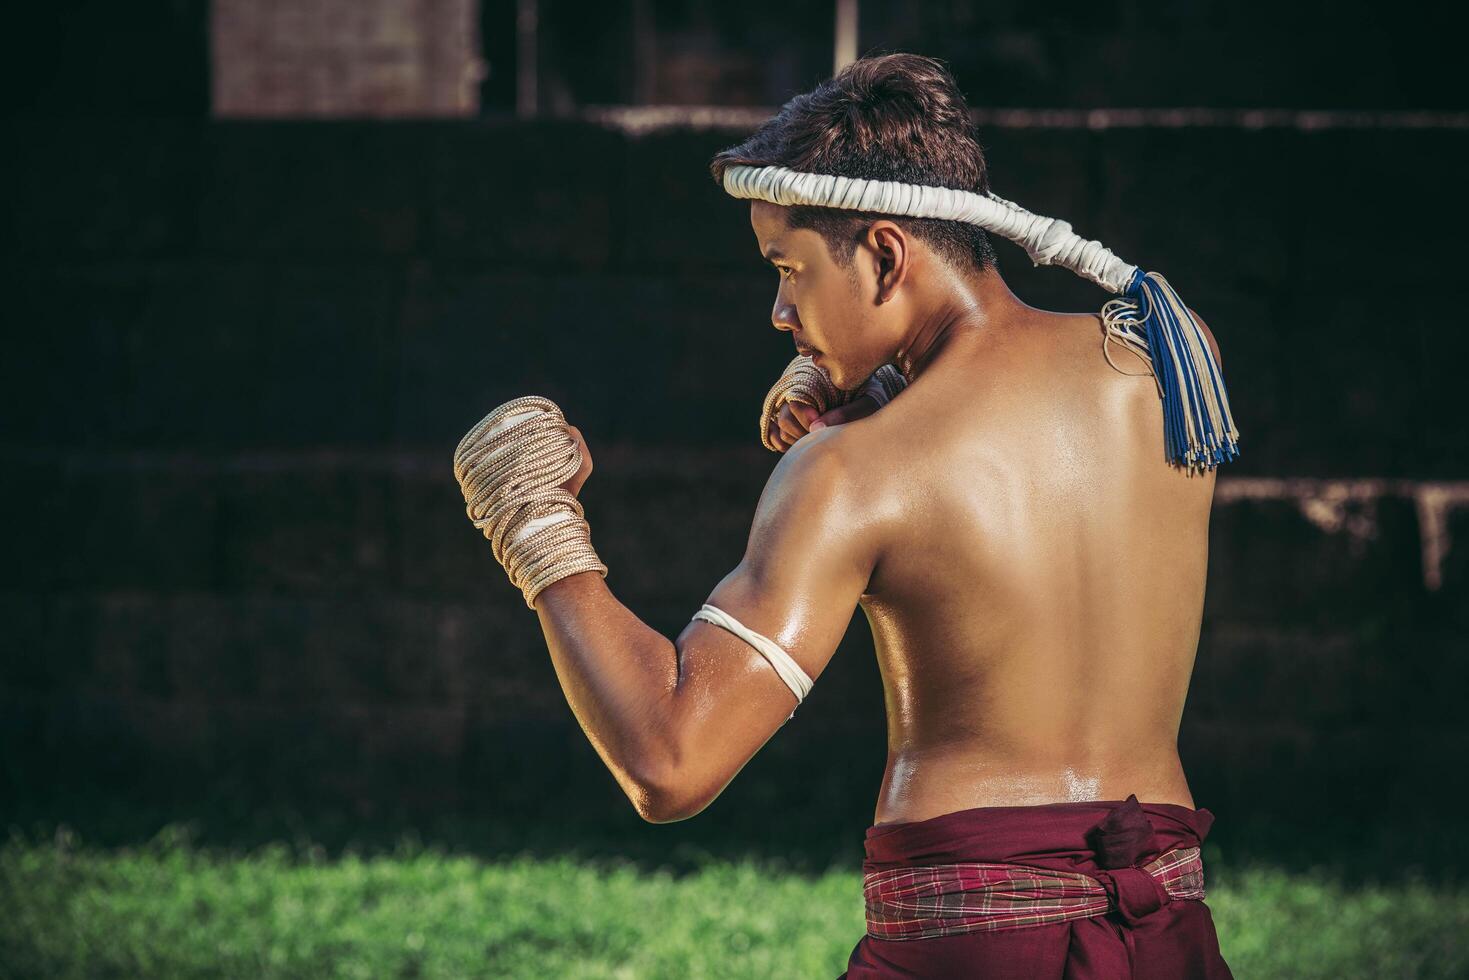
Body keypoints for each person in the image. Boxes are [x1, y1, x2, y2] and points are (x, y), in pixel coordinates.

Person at [463, 52, 1235, 978]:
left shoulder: (853, 474)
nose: (781, 310)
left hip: (969, 949)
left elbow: (670, 761)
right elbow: (1009, 459)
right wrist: (880, 381)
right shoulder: (1166, 364)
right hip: (1169, 933)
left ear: (883, 253)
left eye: (788, 269)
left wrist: (537, 526)